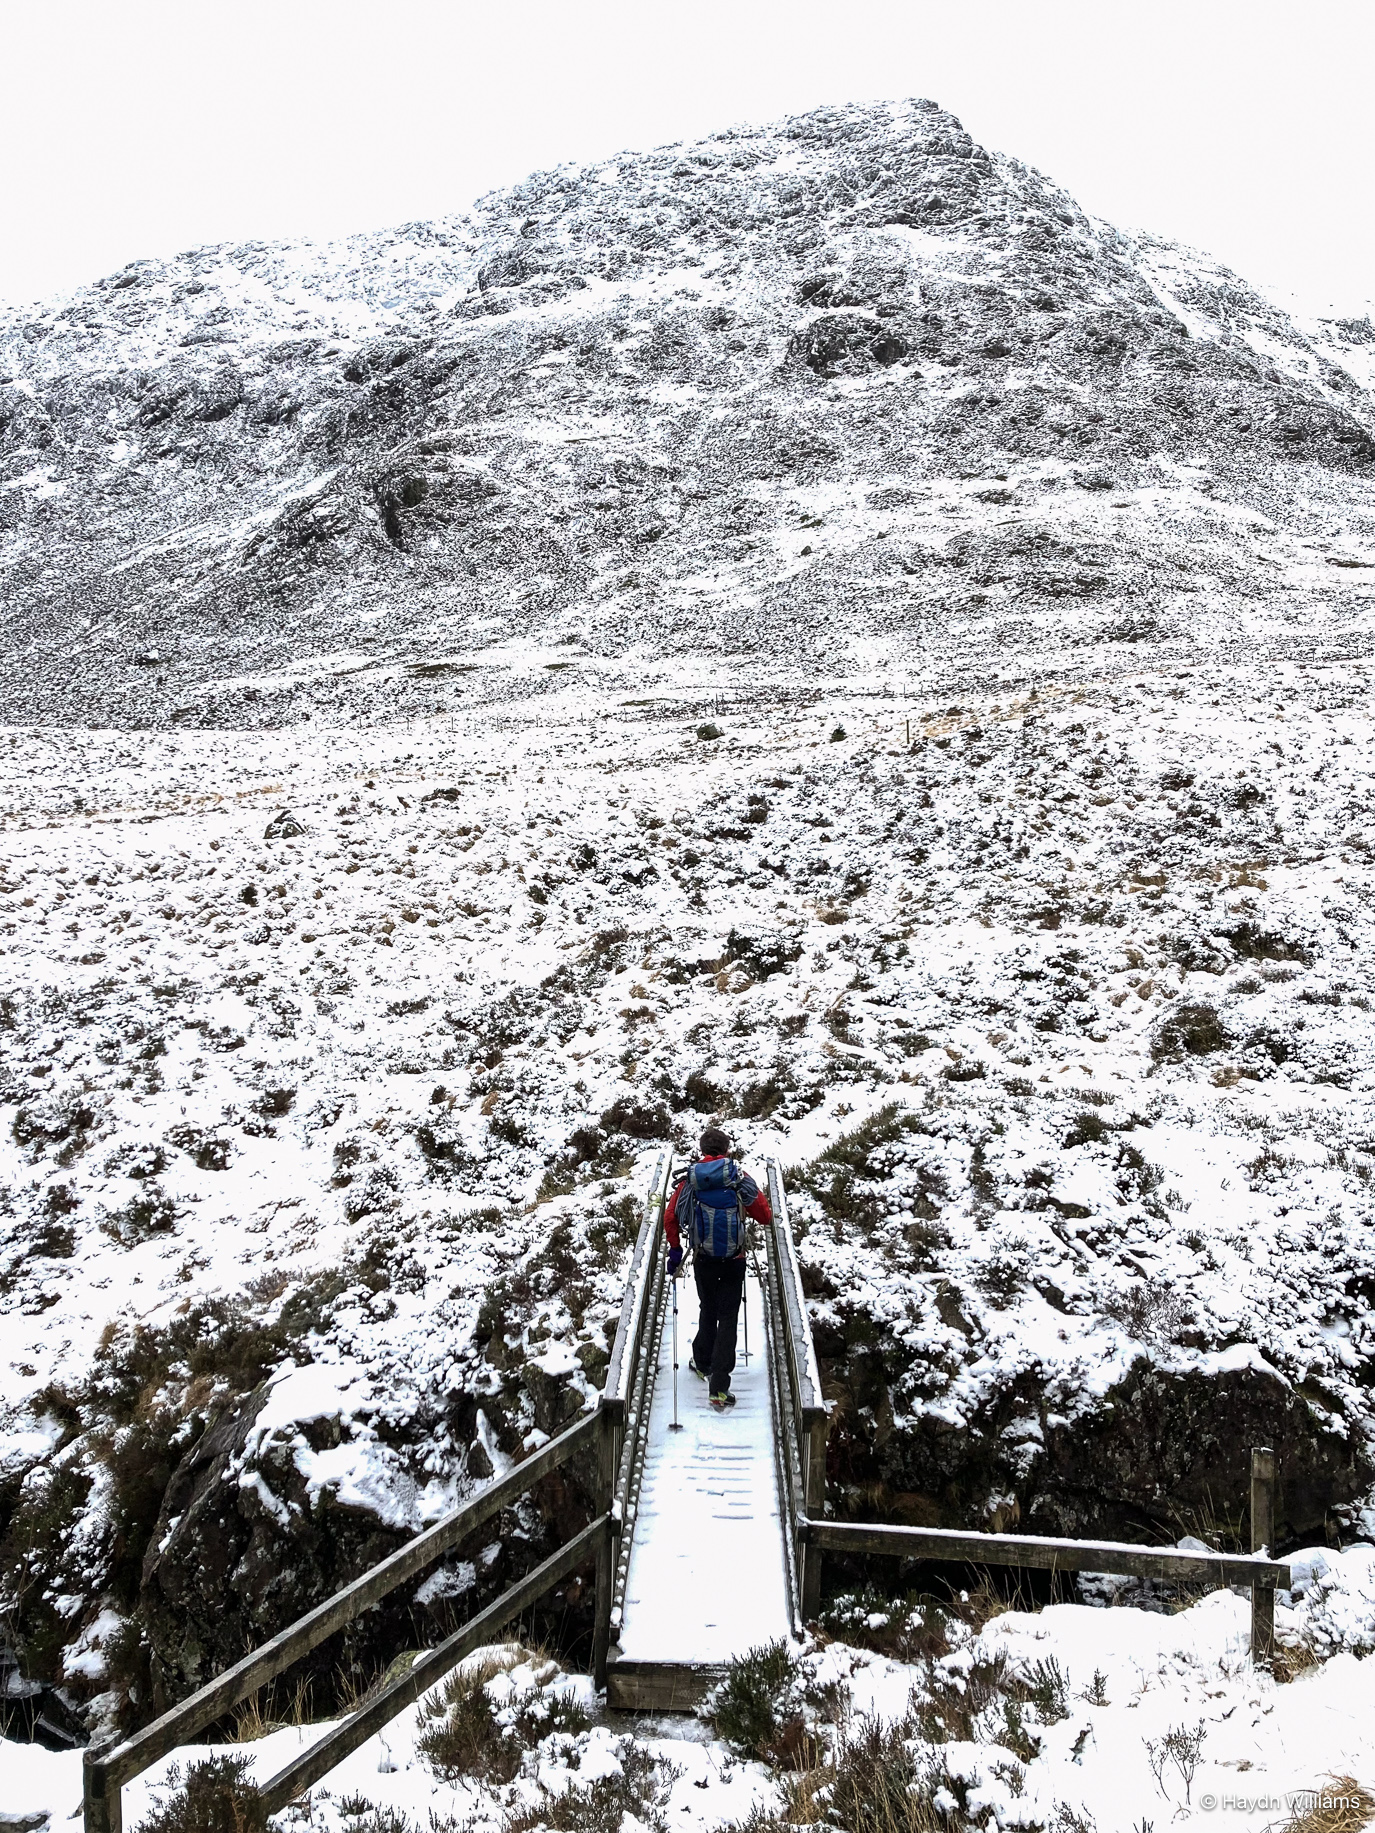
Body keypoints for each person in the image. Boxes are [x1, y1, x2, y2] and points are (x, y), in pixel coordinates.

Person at [663, 1126, 772, 1412]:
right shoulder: (738, 1178)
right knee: (728, 1317)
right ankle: (719, 1389)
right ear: (726, 1151)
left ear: (702, 1150)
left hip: (703, 1258)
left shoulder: (691, 1181)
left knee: (707, 1308)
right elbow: (764, 1215)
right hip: (734, 1259)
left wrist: (675, 1251)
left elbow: (671, 1217)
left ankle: (702, 1363)